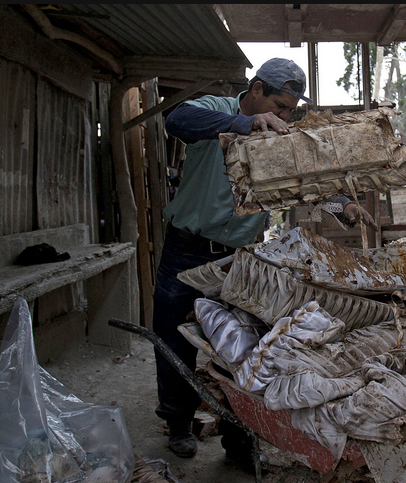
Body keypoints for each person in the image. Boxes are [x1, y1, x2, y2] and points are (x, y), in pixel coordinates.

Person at [154, 58, 374, 459]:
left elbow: (302, 182)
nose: (284, 116)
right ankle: (177, 421)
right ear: (255, 90)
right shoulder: (220, 110)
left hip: (239, 257)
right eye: (279, 105)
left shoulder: (281, 135)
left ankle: (240, 440)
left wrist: (343, 206)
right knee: (174, 336)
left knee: (240, 346)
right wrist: (245, 125)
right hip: (186, 248)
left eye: (290, 110)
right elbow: (176, 120)